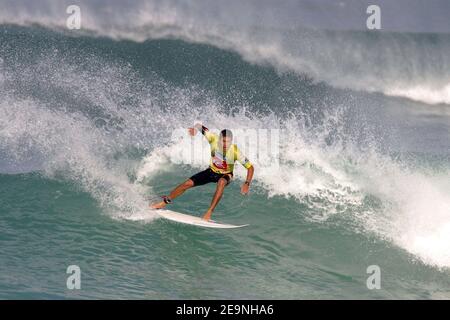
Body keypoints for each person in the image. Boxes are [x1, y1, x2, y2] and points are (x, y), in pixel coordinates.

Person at [150, 123, 254, 221]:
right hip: (211, 171)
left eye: (228, 142)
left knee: (221, 182)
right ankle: (164, 203)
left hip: (226, 174)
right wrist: (195, 129)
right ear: (219, 139)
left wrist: (247, 183)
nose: (226, 144)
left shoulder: (235, 151)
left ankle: (209, 212)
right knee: (186, 184)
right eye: (224, 141)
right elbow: (200, 126)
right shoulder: (213, 138)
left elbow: (250, 168)